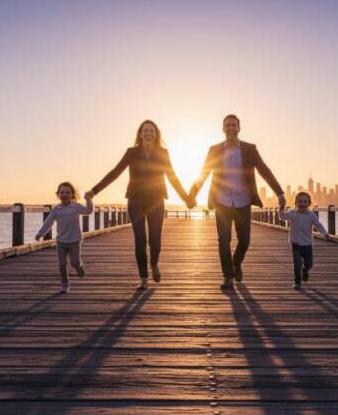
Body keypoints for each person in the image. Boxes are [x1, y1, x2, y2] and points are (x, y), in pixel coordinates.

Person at [86, 120, 192, 290]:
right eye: (145, 131)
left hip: (156, 201)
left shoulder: (163, 153)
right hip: (135, 200)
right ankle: (143, 277)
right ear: (140, 134)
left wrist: (186, 198)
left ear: (156, 134)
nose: (149, 133)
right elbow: (115, 172)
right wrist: (94, 190)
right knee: (140, 240)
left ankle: (154, 263)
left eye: (152, 131)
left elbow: (173, 177)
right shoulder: (131, 152)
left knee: (155, 241)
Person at [188, 114, 286, 290]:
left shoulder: (250, 149)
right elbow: (204, 173)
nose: (230, 128)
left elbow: (264, 170)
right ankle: (228, 276)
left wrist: (279, 192)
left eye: (234, 125)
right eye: (227, 125)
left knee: (245, 240)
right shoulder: (214, 150)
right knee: (223, 240)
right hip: (222, 201)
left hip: (243, 201)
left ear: (239, 128)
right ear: (223, 128)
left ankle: (236, 262)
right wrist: (192, 194)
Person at [35, 182, 94, 294]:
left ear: (72, 194)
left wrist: (89, 200)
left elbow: (88, 211)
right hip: (61, 241)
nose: (64, 194)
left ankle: (79, 267)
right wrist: (40, 234)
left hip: (75, 240)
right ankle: (65, 283)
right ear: (58, 194)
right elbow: (48, 223)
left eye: (67, 192)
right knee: (62, 264)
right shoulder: (56, 210)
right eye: (62, 192)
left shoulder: (76, 207)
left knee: (74, 262)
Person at [278, 191, 330, 290]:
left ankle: (305, 270)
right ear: (296, 203)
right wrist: (281, 207)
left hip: (307, 244)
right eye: (300, 201)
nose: (302, 203)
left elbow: (317, 224)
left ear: (309, 203)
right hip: (296, 244)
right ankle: (297, 282)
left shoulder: (311, 215)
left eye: (305, 201)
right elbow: (282, 217)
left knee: (309, 263)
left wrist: (325, 233)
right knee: (297, 263)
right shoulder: (292, 213)